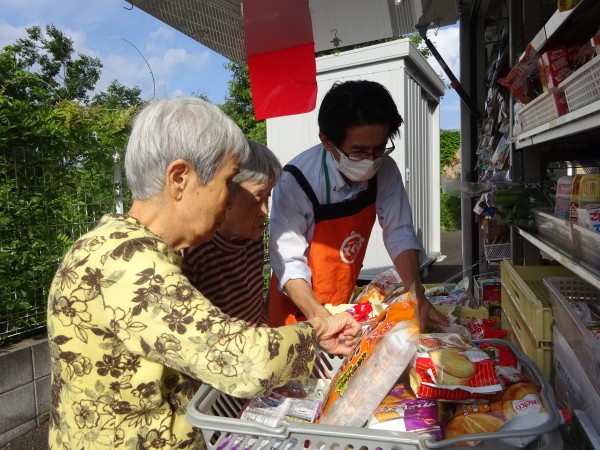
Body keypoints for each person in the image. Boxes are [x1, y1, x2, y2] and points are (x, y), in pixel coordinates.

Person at [46, 97, 362, 450]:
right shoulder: (133, 267)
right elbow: (245, 361)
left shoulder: (119, 245)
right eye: (227, 182)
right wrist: (317, 330)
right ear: (180, 179)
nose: (229, 201)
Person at [268, 80, 449, 331]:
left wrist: (416, 293)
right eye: (359, 152)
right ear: (327, 141)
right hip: (296, 306)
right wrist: (319, 318)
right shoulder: (297, 181)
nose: (371, 161)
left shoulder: (385, 170)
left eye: (379, 148)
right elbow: (289, 262)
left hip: (341, 297)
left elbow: (399, 231)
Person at [181, 140, 281, 326]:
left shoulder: (252, 241)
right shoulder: (196, 251)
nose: (265, 211)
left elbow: (256, 310)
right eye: (258, 197)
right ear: (226, 193)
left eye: (268, 197)